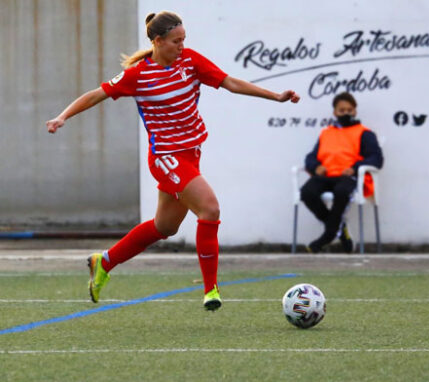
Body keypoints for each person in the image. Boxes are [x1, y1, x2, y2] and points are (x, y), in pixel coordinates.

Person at [45, 11, 300, 311]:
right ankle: (211, 290)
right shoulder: (137, 75)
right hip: (166, 157)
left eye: (184, 40)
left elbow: (230, 82)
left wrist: (276, 96)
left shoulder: (190, 61)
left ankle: (105, 261)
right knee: (210, 208)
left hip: (191, 155)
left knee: (164, 227)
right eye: (176, 41)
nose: (181, 46)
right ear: (157, 41)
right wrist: (63, 116)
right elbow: (96, 95)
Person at [301, 92, 383, 253]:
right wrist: (316, 166)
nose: (346, 113)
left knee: (342, 191)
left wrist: (356, 167)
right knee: (307, 192)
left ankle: (328, 235)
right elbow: (311, 156)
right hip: (326, 176)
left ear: (355, 111)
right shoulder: (327, 132)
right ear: (335, 112)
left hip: (348, 177)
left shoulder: (364, 133)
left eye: (349, 110)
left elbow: (376, 158)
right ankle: (339, 228)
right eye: (342, 110)